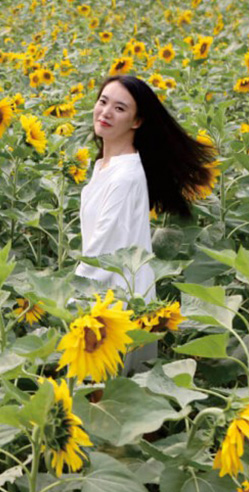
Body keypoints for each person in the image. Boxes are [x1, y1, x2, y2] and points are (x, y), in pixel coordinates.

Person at [74, 75, 215, 373]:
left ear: (137, 121)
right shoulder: (105, 165)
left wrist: (65, 299)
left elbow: (102, 253)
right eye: (103, 101)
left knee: (109, 393)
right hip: (105, 296)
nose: (106, 112)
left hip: (113, 304)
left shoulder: (124, 176)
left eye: (120, 108)